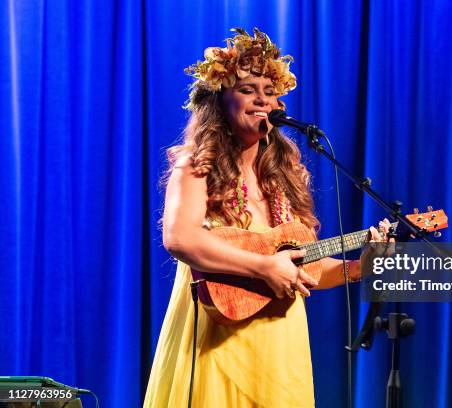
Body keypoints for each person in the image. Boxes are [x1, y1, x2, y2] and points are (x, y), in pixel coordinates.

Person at [144, 28, 389, 407]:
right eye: (247, 90)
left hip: (280, 341)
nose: (263, 100)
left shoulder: (284, 174)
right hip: (218, 338)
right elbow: (181, 239)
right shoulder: (196, 165)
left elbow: (301, 267)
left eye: (270, 92)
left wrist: (362, 266)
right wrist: (264, 267)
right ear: (219, 100)